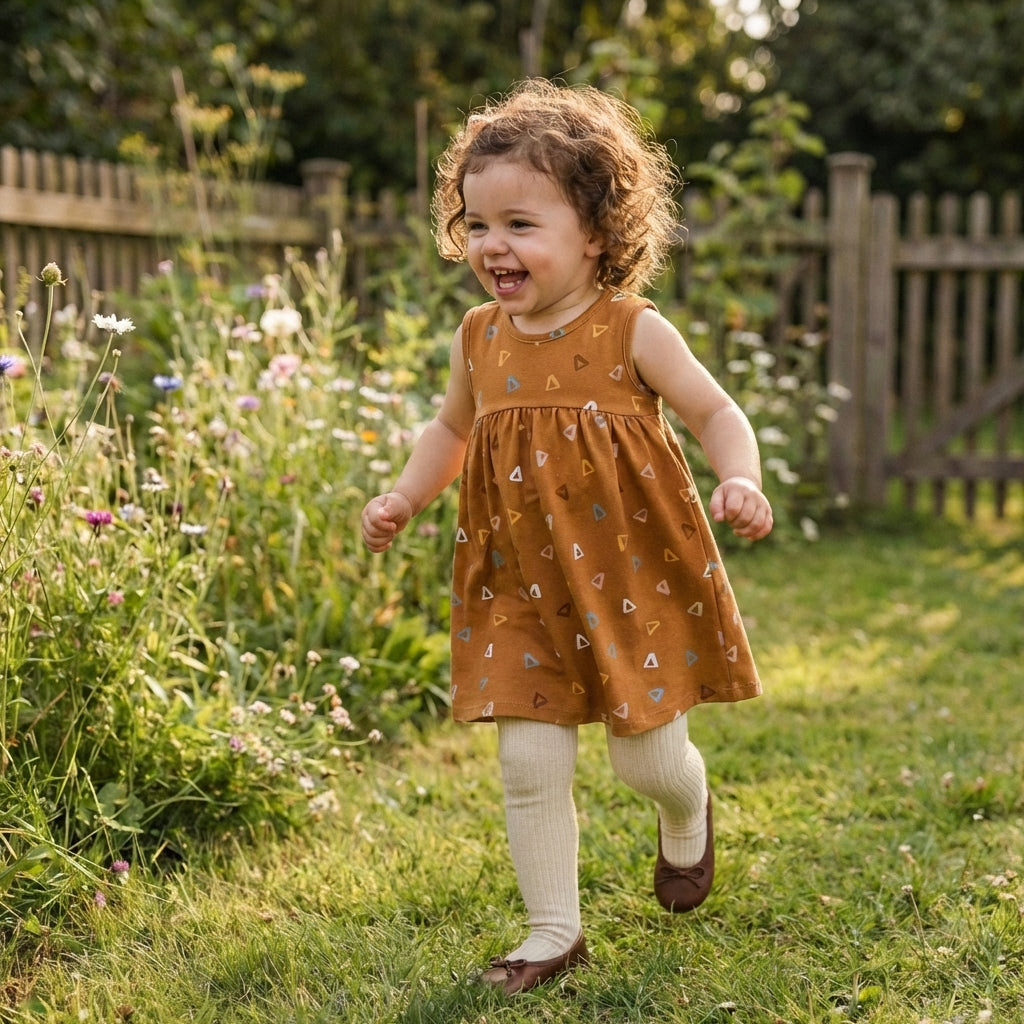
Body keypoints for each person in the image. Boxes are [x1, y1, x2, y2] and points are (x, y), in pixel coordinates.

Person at [361, 78, 773, 996]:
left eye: (518, 223)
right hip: (518, 583)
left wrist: (738, 474)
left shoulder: (633, 329)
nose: (490, 245)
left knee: (648, 758)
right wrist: (403, 496)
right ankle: (552, 932)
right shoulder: (479, 337)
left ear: (596, 234)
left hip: (630, 573)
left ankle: (688, 808)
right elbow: (449, 432)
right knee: (527, 763)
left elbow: (715, 409)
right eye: (475, 224)